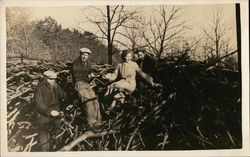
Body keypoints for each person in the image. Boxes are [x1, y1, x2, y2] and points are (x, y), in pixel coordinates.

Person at [35, 70, 67, 151]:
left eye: (54, 79)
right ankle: (45, 152)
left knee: (58, 132)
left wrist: (71, 101)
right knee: (44, 135)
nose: (53, 81)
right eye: (50, 79)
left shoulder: (55, 85)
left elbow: (63, 95)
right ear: (45, 78)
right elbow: (39, 104)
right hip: (44, 114)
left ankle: (58, 149)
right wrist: (50, 112)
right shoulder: (40, 88)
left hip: (56, 113)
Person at [72, 47, 102, 133]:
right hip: (79, 84)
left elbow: (89, 70)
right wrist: (87, 74)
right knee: (88, 101)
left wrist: (91, 73)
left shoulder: (87, 63)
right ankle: (91, 124)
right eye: (83, 55)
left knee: (95, 100)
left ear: (88, 56)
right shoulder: (76, 63)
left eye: (86, 55)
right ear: (80, 55)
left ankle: (98, 122)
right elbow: (76, 73)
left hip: (87, 84)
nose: (84, 56)